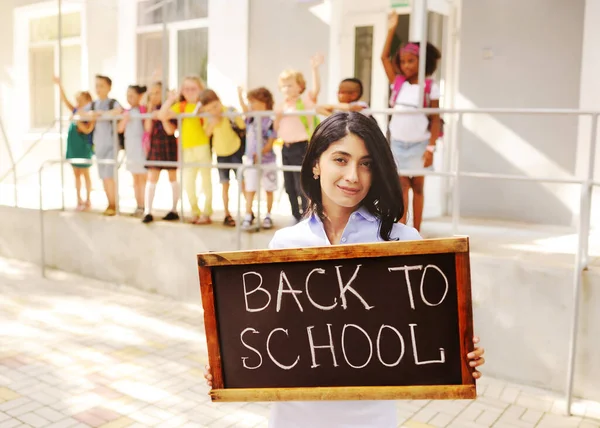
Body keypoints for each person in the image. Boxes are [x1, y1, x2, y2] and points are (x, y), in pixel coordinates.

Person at [204, 112, 485, 427]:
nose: (353, 175)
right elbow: (267, 340)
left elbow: (428, 336)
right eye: (341, 159)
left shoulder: (403, 242)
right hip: (293, 420)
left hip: (370, 421)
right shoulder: (285, 243)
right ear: (315, 163)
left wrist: (460, 354)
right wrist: (228, 362)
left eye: (366, 163)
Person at [381, 12, 442, 232]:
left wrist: (431, 148)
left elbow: (435, 119)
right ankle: (402, 229)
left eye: (411, 61)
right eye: (403, 61)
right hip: (398, 142)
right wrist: (391, 29)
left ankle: (417, 230)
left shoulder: (429, 86)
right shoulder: (398, 83)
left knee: (417, 187)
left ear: (421, 61)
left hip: (420, 143)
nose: (406, 65)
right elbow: (384, 58)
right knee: (402, 186)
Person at [274, 54, 324, 223]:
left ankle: (305, 214)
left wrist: (314, 68)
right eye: (283, 86)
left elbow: (316, 90)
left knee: (300, 183)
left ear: (299, 87)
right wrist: (278, 118)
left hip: (301, 146)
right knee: (288, 185)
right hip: (285, 148)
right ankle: (295, 215)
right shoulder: (281, 106)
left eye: (290, 85)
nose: (286, 89)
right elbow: (275, 129)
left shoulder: (304, 102)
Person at [159, 76, 212, 224]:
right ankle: (195, 211)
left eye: (193, 88)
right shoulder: (181, 106)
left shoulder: (204, 106)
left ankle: (207, 213)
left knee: (206, 182)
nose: (189, 92)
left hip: (202, 147)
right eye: (186, 89)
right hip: (186, 148)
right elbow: (162, 115)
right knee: (188, 183)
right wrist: (171, 99)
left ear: (200, 89)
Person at [200, 89, 246, 227]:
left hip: (235, 151)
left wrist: (230, 116)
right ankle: (227, 214)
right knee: (225, 185)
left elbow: (242, 125)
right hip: (221, 155)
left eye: (215, 106)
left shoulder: (229, 110)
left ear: (219, 101)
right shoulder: (208, 118)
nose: (214, 110)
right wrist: (213, 122)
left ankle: (248, 212)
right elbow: (206, 133)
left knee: (242, 183)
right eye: (210, 109)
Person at [237, 86, 278, 230]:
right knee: (250, 188)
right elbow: (244, 110)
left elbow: (271, 141)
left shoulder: (271, 120)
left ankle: (268, 215)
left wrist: (260, 153)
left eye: (253, 102)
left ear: (264, 102)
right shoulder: (251, 118)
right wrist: (240, 96)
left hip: (268, 160)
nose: (250, 106)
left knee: (269, 188)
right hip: (251, 160)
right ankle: (248, 214)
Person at [83, 75, 123, 216]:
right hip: (98, 144)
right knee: (103, 176)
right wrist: (93, 114)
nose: (98, 89)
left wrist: (100, 114)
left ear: (109, 87)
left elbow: (118, 112)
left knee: (109, 175)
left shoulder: (113, 103)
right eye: (97, 85)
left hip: (111, 144)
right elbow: (81, 113)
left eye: (102, 86)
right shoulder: (93, 105)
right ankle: (110, 204)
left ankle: (114, 204)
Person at [53, 77, 94, 211]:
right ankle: (78, 199)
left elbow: (87, 129)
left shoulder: (88, 115)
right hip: (73, 147)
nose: (78, 103)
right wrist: (59, 85)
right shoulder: (76, 112)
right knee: (76, 174)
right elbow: (65, 100)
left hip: (82, 148)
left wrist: (77, 121)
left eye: (81, 100)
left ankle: (88, 199)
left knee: (85, 173)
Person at [142, 82, 180, 223]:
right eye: (151, 93)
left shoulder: (172, 108)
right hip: (156, 145)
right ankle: (148, 211)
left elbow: (171, 130)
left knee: (173, 177)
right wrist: (151, 113)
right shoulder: (150, 109)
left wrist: (162, 117)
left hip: (168, 145)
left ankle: (174, 209)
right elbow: (147, 129)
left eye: (157, 92)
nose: (154, 96)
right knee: (152, 178)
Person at [118, 85, 148, 216]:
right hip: (130, 149)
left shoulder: (143, 110)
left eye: (132, 95)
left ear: (139, 96)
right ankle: (139, 205)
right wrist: (124, 119)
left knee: (143, 179)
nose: (129, 98)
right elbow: (119, 129)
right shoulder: (126, 112)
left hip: (142, 149)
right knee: (135, 179)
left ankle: (145, 206)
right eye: (127, 95)